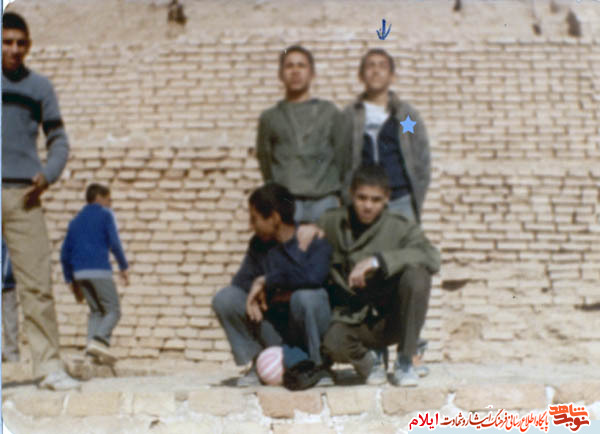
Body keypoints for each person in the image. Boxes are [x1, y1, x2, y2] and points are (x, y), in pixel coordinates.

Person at [2, 12, 79, 390]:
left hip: (23, 196)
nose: (14, 49)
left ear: (29, 46)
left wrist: (48, 174)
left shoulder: (40, 88)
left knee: (36, 285)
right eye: (7, 41)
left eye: (21, 43)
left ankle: (48, 367)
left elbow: (59, 140)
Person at [317, 165, 440, 387]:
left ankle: (405, 360)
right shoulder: (332, 222)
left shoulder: (399, 227)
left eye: (375, 200)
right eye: (361, 198)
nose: (367, 206)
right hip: (354, 319)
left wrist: (378, 261)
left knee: (417, 275)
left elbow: (432, 256)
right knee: (333, 343)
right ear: (351, 194)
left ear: (386, 199)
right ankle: (369, 362)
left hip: (391, 320)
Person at [212, 183, 332, 387]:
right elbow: (242, 282)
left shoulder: (312, 240)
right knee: (226, 298)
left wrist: (268, 281)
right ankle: (259, 360)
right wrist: (261, 293)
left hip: (307, 329)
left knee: (307, 297)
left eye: (255, 219)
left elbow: (314, 277)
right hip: (274, 329)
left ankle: (318, 366)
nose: (251, 226)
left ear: (275, 218)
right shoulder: (259, 245)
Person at [256, 45, 349, 223]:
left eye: (301, 66)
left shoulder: (329, 113)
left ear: (312, 73)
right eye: (289, 66)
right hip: (287, 201)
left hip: (324, 200)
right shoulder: (270, 117)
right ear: (280, 74)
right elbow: (265, 160)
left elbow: (343, 156)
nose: (295, 71)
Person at [342, 48, 431, 224]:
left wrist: (414, 198)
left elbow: (421, 160)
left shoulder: (406, 115)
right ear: (361, 76)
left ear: (392, 77)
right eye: (370, 66)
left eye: (382, 66)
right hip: (363, 204)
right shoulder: (349, 115)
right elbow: (341, 160)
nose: (376, 71)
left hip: (399, 200)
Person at [60, 184, 129, 365]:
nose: (110, 204)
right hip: (99, 270)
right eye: (109, 200)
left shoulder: (75, 221)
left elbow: (64, 253)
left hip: (79, 273)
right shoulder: (105, 215)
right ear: (99, 197)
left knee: (96, 311)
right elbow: (114, 243)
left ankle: (91, 355)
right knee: (113, 310)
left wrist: (69, 279)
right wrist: (123, 266)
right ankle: (99, 341)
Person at [2, 238, 20, 362]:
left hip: (7, 282)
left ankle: (12, 353)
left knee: (10, 320)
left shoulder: (7, 236)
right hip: (7, 280)